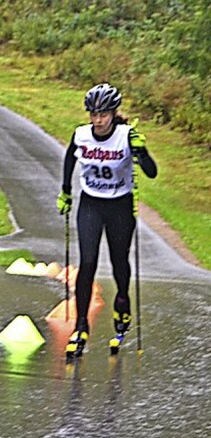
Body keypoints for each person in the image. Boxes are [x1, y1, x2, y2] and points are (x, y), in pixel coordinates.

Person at [56, 82, 157, 357]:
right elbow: (69, 159)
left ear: (114, 114)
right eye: (94, 114)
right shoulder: (81, 135)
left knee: (118, 262)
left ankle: (122, 304)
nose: (98, 120)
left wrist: (142, 151)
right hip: (91, 203)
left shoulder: (126, 135)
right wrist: (66, 192)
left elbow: (151, 172)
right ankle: (80, 327)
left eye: (104, 114)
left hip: (120, 206)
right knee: (87, 262)